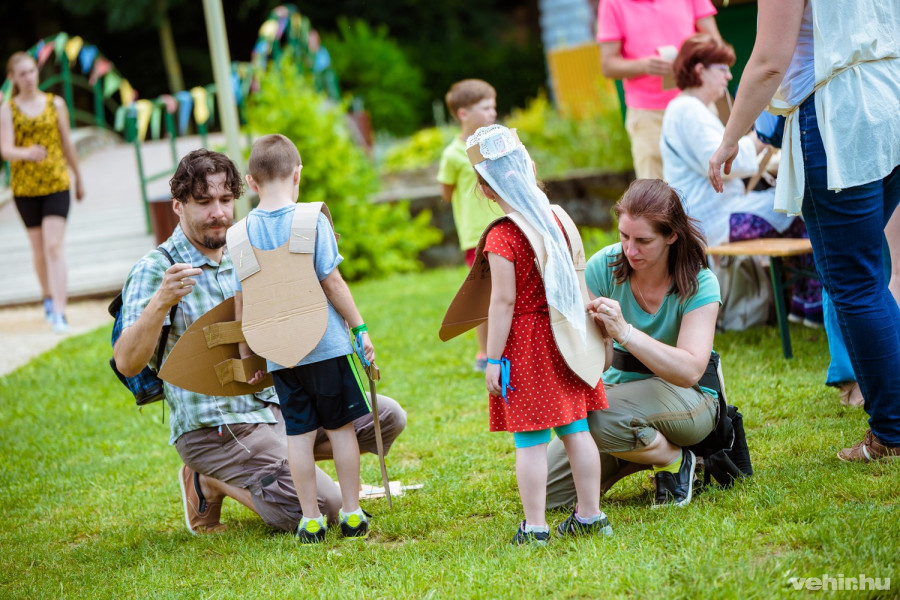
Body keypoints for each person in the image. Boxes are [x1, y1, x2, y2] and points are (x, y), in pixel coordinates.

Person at [113, 148, 406, 536]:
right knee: (326, 508)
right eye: (204, 202)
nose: (218, 212)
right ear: (178, 205)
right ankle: (207, 479)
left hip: (276, 402)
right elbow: (127, 362)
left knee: (386, 418)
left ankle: (286, 465)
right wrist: (161, 301)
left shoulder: (245, 246)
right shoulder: (156, 269)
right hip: (217, 427)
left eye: (225, 200)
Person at [708, 0, 900, 461]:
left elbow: (769, 61)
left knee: (855, 283)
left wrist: (730, 139)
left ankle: (892, 432)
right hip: (888, 103)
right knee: (868, 277)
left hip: (840, 117)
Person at [466, 124, 610, 545]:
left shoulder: (502, 235)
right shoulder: (559, 218)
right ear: (529, 168)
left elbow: (503, 302)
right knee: (576, 430)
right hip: (569, 336)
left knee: (529, 441)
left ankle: (535, 527)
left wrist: (493, 359)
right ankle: (591, 515)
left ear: (486, 189)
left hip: (528, 347)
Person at [232, 134, 374, 543]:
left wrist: (249, 356)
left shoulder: (239, 236)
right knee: (341, 429)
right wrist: (359, 328)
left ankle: (310, 519)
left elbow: (243, 303)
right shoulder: (311, 220)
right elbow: (332, 282)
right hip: (326, 346)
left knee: (298, 436)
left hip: (280, 355)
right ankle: (351, 513)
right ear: (297, 174)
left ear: (251, 182)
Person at [546, 179, 719, 509]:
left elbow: (690, 371)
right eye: (624, 236)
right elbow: (592, 358)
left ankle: (674, 460)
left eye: (643, 241)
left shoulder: (700, 283)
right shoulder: (603, 267)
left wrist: (624, 332)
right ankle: (647, 453)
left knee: (597, 417)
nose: (630, 250)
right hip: (619, 400)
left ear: (671, 236)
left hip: (690, 399)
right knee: (549, 496)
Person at [660, 34, 819, 326]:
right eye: (723, 68)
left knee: (795, 204)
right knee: (800, 205)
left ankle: (803, 303)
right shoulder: (688, 110)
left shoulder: (688, 108)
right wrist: (762, 135)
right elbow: (723, 163)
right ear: (700, 70)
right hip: (716, 220)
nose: (729, 76)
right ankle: (809, 304)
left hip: (715, 215)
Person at [1, 51, 84, 333]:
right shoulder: (8, 109)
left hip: (56, 183)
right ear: (13, 78)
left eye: (31, 71)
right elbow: (5, 149)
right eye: (22, 73)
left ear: (37, 72)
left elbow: (67, 142)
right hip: (25, 188)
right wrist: (26, 153)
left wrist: (79, 177)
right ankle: (47, 296)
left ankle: (60, 312)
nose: (28, 77)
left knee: (53, 246)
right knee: (38, 250)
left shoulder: (55, 103)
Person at [597, 0, 720, 179]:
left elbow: (714, 42)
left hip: (697, 101)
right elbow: (608, 65)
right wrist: (643, 66)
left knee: (713, 173)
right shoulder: (611, 3)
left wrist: (690, 60)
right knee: (654, 187)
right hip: (647, 113)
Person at [438, 79, 504, 372]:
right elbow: (446, 192)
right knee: (483, 294)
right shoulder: (453, 155)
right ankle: (484, 352)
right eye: (486, 108)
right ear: (463, 113)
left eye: (493, 107)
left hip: (504, 225)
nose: (493, 113)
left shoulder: (496, 143)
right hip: (475, 236)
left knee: (508, 289)